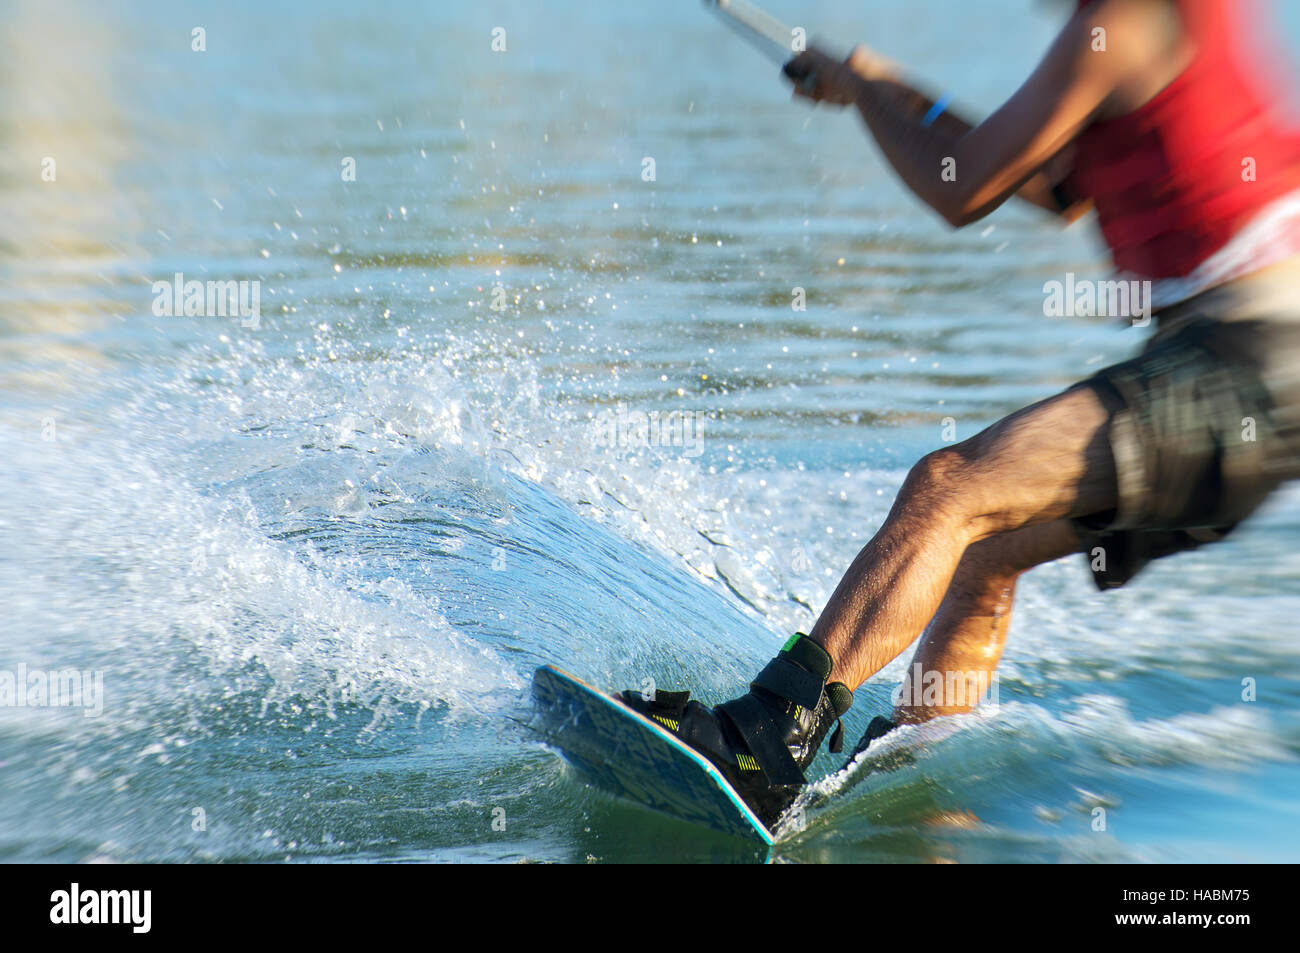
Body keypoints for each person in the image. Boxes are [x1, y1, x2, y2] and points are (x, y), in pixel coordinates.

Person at [620, 0, 1300, 829]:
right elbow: (1051, 184)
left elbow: (966, 187)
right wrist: (887, 88)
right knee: (985, 553)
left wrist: (867, 91)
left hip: (1245, 364)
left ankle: (768, 736)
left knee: (949, 488)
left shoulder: (1122, 17)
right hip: (1251, 384)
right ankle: (912, 774)